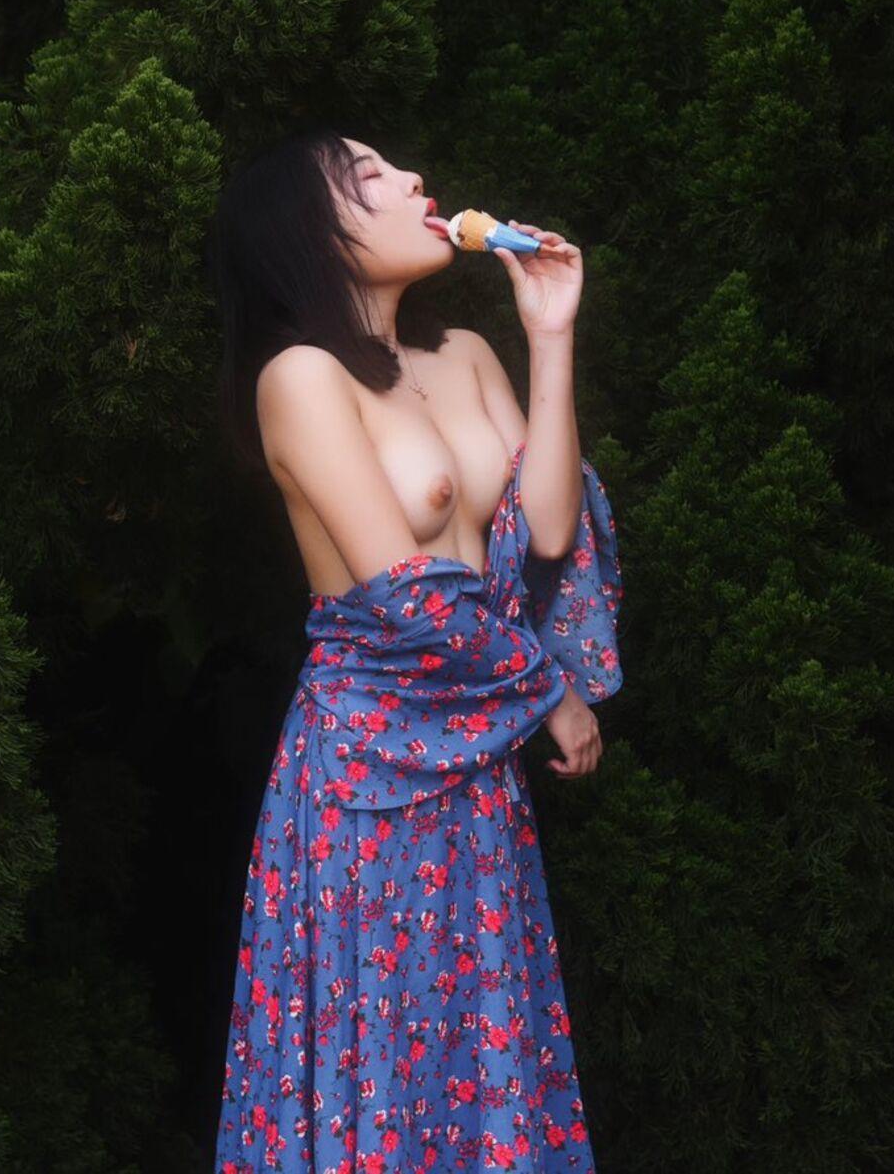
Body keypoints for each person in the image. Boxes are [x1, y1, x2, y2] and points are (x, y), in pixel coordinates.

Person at [205, 126, 624, 1173]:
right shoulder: (300, 377)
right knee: (384, 1063)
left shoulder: (465, 354)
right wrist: (550, 691)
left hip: (475, 761)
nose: (412, 179)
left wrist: (551, 335)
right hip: (367, 778)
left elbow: (550, 532)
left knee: (481, 1059)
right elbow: (405, 592)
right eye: (370, 177)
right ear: (309, 233)